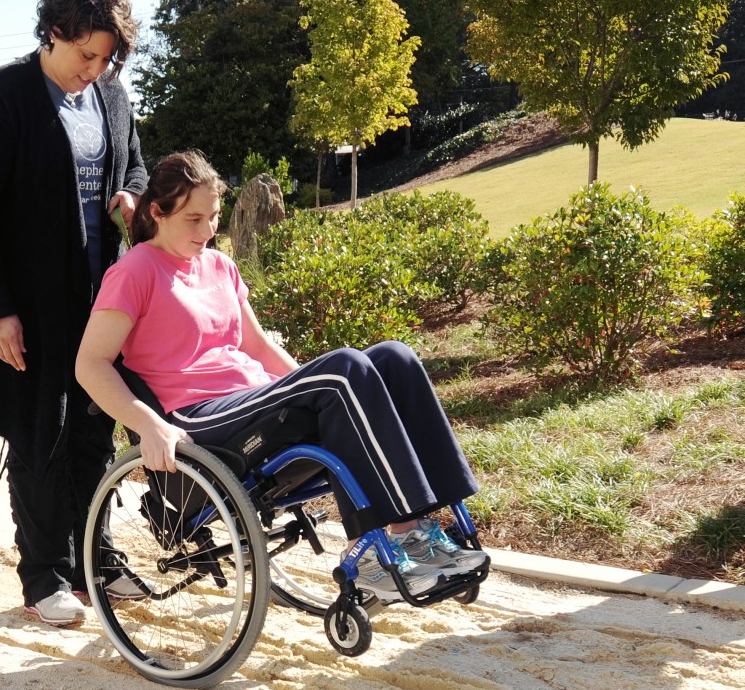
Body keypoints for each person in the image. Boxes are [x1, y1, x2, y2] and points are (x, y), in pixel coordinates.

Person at [75, 151, 486, 604]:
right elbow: (90, 364)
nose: (208, 232)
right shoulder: (134, 272)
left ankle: (432, 527)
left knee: (394, 357)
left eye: (214, 218)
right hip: (198, 417)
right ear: (157, 212)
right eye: (193, 219)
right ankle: (390, 541)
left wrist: (313, 381)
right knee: (344, 369)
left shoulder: (220, 266)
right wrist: (147, 424)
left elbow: (256, 346)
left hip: (253, 399)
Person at [0, 0, 149, 628]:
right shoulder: (2, 97)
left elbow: (136, 167)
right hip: (27, 306)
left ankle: (97, 558)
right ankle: (44, 574)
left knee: (94, 428)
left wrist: (130, 195)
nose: (94, 70)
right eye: (85, 55)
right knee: (43, 435)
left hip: (102, 299)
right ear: (54, 32)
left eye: (106, 59)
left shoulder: (112, 97)